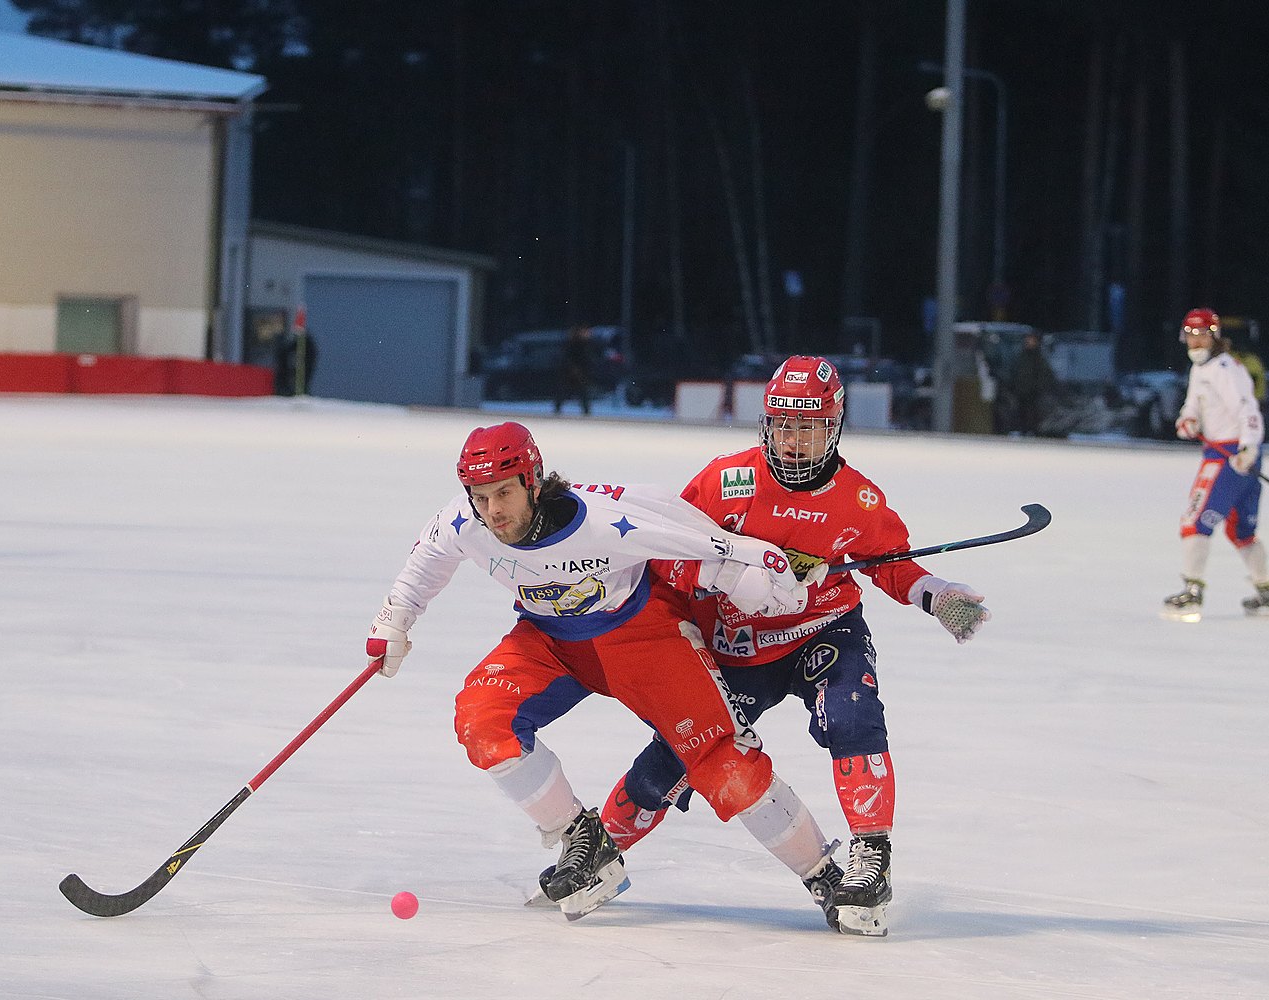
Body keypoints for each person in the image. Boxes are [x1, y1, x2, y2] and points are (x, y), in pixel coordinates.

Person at [363, 421, 844, 922]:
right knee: (482, 720)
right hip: (550, 642)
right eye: (480, 498)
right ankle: (583, 841)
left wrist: (762, 569)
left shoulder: (606, 518)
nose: (493, 512)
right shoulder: (464, 523)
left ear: (533, 480)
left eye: (504, 493)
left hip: (643, 640)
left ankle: (824, 875)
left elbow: (699, 538)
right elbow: (426, 564)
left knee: (724, 763)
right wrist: (392, 622)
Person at [594, 355, 992, 937]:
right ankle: (601, 851)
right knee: (679, 754)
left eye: (808, 426)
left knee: (855, 719)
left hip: (823, 632)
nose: (795, 440)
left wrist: (935, 594)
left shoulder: (857, 499)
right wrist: (718, 586)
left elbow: (893, 566)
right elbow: (669, 552)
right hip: (734, 648)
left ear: (832, 428)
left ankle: (870, 859)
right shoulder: (724, 481)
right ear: (766, 426)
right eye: (784, 425)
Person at [1162, 308, 1269, 621]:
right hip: (1234, 455)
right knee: (1241, 530)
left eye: (1201, 334)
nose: (1195, 340)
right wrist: (1188, 420)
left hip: (1229, 457)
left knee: (1195, 521)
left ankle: (1192, 591)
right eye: (1190, 334)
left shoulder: (1226, 368)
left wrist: (1249, 447)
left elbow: (1247, 409)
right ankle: (1266, 592)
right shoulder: (1201, 369)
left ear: (1214, 336)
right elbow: (1193, 406)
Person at [1009, 331, 1058, 435]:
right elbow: (1015, 372)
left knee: (1033, 412)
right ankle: (1024, 429)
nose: (1029, 342)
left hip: (1033, 392)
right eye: (1028, 340)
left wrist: (1039, 387)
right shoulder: (1021, 356)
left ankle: (1033, 430)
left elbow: (1045, 375)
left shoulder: (1038, 358)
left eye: (1032, 340)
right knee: (1022, 412)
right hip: (1021, 391)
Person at [553, 325, 594, 415]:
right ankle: (558, 408)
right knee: (567, 390)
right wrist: (574, 368)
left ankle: (586, 410)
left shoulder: (586, 344)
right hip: (571, 371)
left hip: (580, 371)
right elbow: (569, 358)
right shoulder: (574, 344)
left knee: (582, 391)